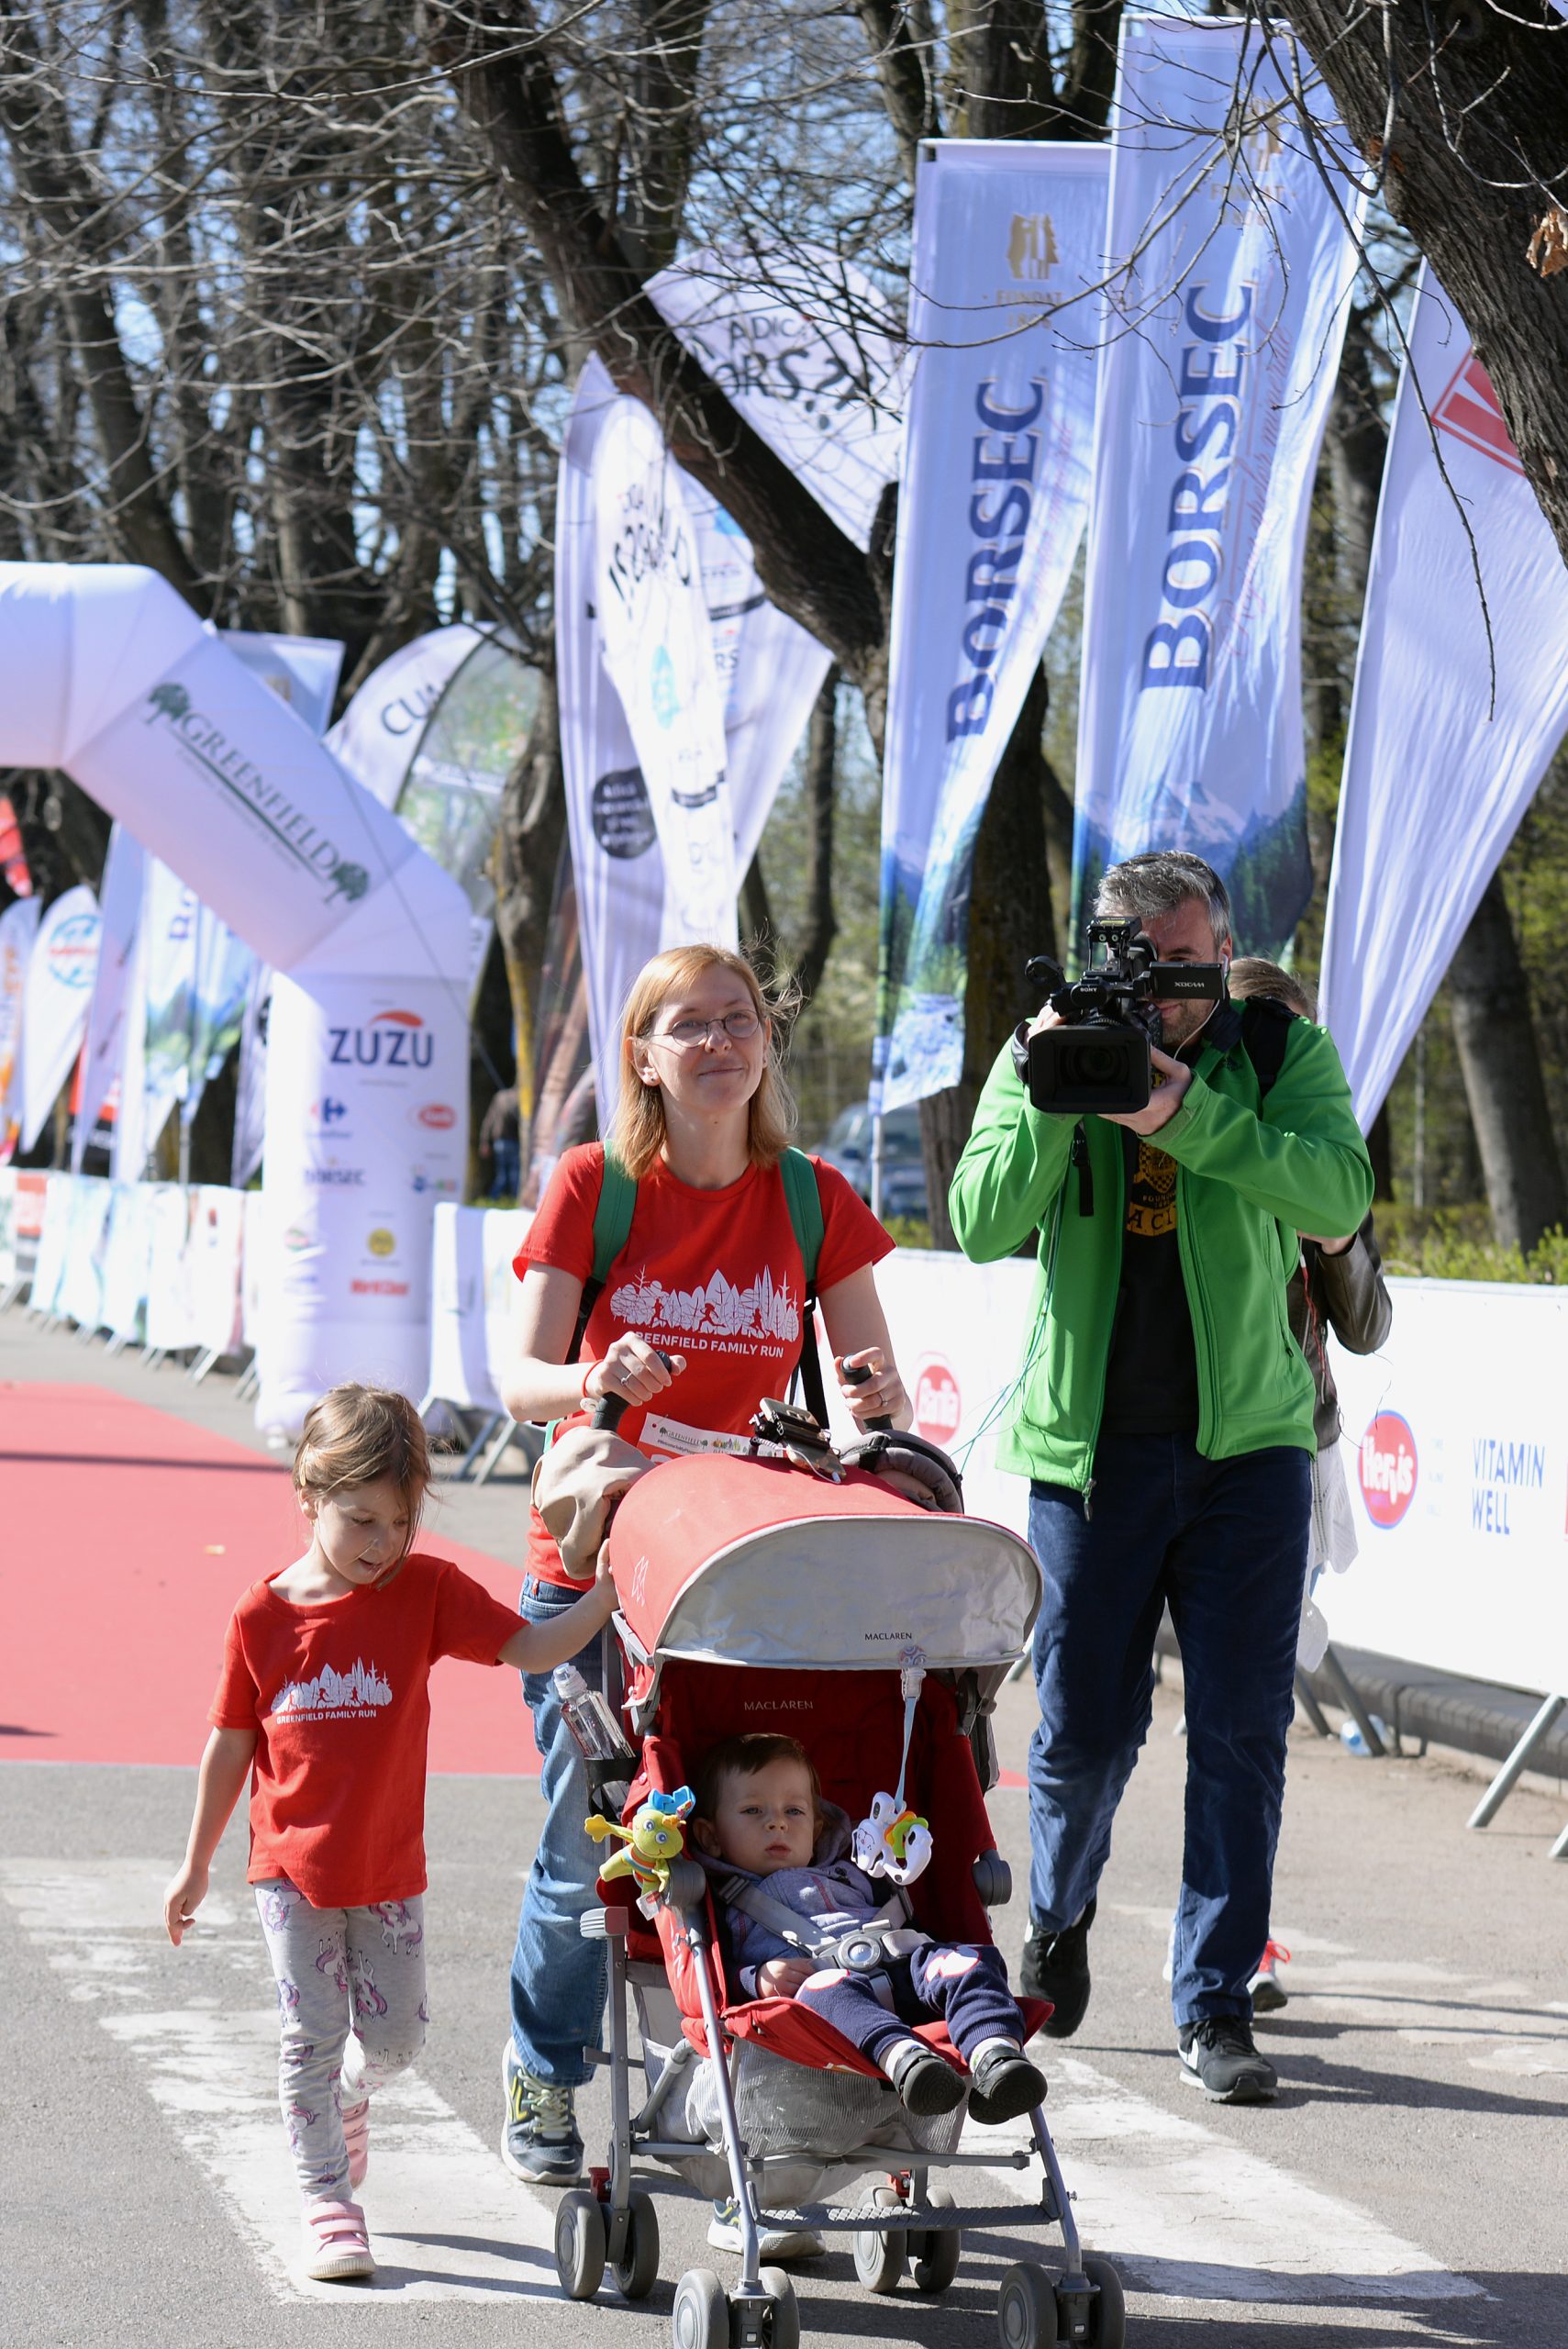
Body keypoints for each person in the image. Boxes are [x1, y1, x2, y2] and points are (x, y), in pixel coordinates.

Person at [497, 941, 909, 2262]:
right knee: (595, 1858)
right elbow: (516, 1381)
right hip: (593, 1569)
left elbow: (870, 1383)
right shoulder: (596, 1189)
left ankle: (757, 2098)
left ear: (764, 1048)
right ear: (644, 1054)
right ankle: (545, 2067)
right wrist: (594, 1378)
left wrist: (884, 1402)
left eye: (740, 1022)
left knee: (748, 1844)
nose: (720, 1044)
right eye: (690, 1026)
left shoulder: (810, 1198)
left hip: (736, 1571)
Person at [950, 851, 1373, 2105]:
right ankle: (1060, 1916)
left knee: (1241, 1736)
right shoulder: (1053, 1045)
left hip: (1250, 1449)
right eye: (1148, 974)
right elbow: (978, 1220)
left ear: (1218, 949)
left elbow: (1337, 1191)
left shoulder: (1276, 1051)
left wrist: (1178, 1108)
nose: (1169, 998)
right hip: (1086, 1457)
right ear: (1100, 960)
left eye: (1189, 971)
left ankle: (1214, 2001)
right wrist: (1049, 1083)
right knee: (1082, 1735)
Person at [162, 1384, 617, 2284]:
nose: (380, 1544)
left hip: (388, 1871)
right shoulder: (263, 1617)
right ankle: (328, 2199)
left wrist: (603, 1595)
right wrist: (193, 1864)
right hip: (288, 1873)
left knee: (400, 2037)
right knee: (309, 2037)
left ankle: (349, 2095)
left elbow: (528, 1648)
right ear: (307, 1495)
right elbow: (229, 1743)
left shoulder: (426, 1590)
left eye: (399, 1522)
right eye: (360, 1518)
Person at [692, 1733, 1047, 2124]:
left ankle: (996, 2054)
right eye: (753, 1811)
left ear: (816, 1827)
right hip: (830, 1991)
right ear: (711, 1837)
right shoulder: (728, 1902)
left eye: (794, 1812)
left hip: (904, 1964)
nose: (777, 1822)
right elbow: (715, 1973)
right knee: (820, 1994)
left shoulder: (855, 1869)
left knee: (971, 1961)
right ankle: (906, 2060)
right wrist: (755, 1978)